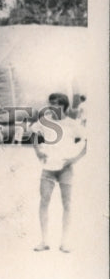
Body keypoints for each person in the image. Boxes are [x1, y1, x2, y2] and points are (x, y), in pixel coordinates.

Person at [29, 92, 87, 253]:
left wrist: (73, 160)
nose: (51, 107)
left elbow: (87, 143)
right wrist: (39, 152)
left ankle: (64, 242)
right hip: (48, 168)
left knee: (67, 204)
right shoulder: (44, 122)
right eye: (50, 104)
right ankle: (44, 241)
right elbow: (33, 134)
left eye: (55, 104)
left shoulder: (72, 124)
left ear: (63, 106)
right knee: (44, 201)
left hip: (65, 169)